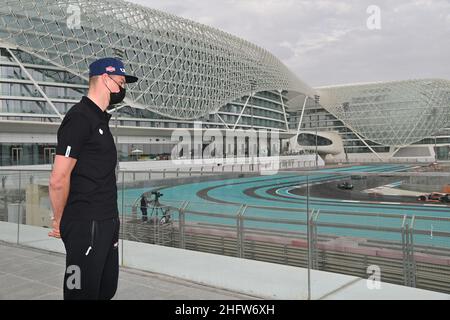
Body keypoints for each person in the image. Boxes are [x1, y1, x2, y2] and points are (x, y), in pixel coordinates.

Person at [48, 57, 138, 300]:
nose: (123, 89)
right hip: (86, 224)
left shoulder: (101, 120)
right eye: (121, 82)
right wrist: (59, 220)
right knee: (80, 293)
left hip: (107, 221)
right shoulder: (79, 117)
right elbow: (58, 178)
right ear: (106, 79)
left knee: (105, 290)